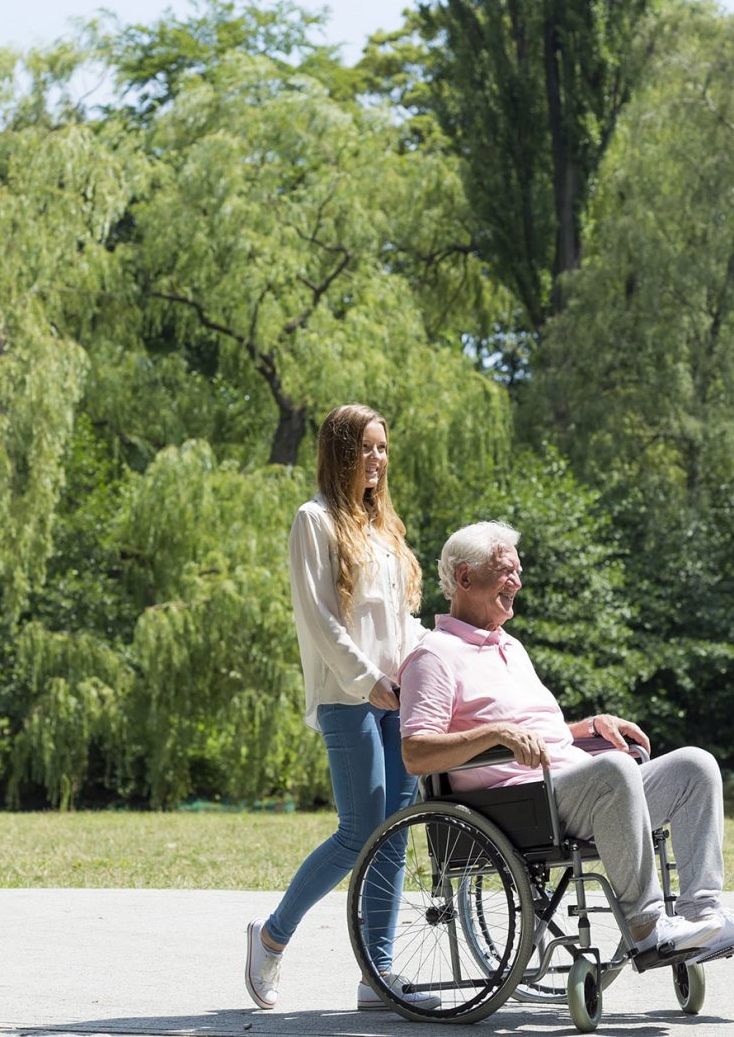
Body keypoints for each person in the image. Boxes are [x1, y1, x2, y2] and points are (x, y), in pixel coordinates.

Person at [398, 520, 734, 966]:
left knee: (695, 766)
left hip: (568, 786)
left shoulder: (511, 647)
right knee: (615, 770)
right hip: (517, 806)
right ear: (465, 578)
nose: (518, 583)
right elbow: (416, 751)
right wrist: (495, 735)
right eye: (507, 572)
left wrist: (588, 726)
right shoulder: (434, 656)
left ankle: (704, 917)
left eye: (518, 572)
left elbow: (541, 730)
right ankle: (648, 926)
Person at [245, 404, 440, 1013]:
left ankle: (377, 976)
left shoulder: (386, 529)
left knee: (394, 836)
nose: (377, 459)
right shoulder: (315, 520)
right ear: (340, 453)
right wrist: (368, 680)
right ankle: (272, 936)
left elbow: (401, 620)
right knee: (359, 831)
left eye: (383, 448)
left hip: (398, 696)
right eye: (366, 448)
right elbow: (321, 618)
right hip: (347, 696)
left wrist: (428, 666)